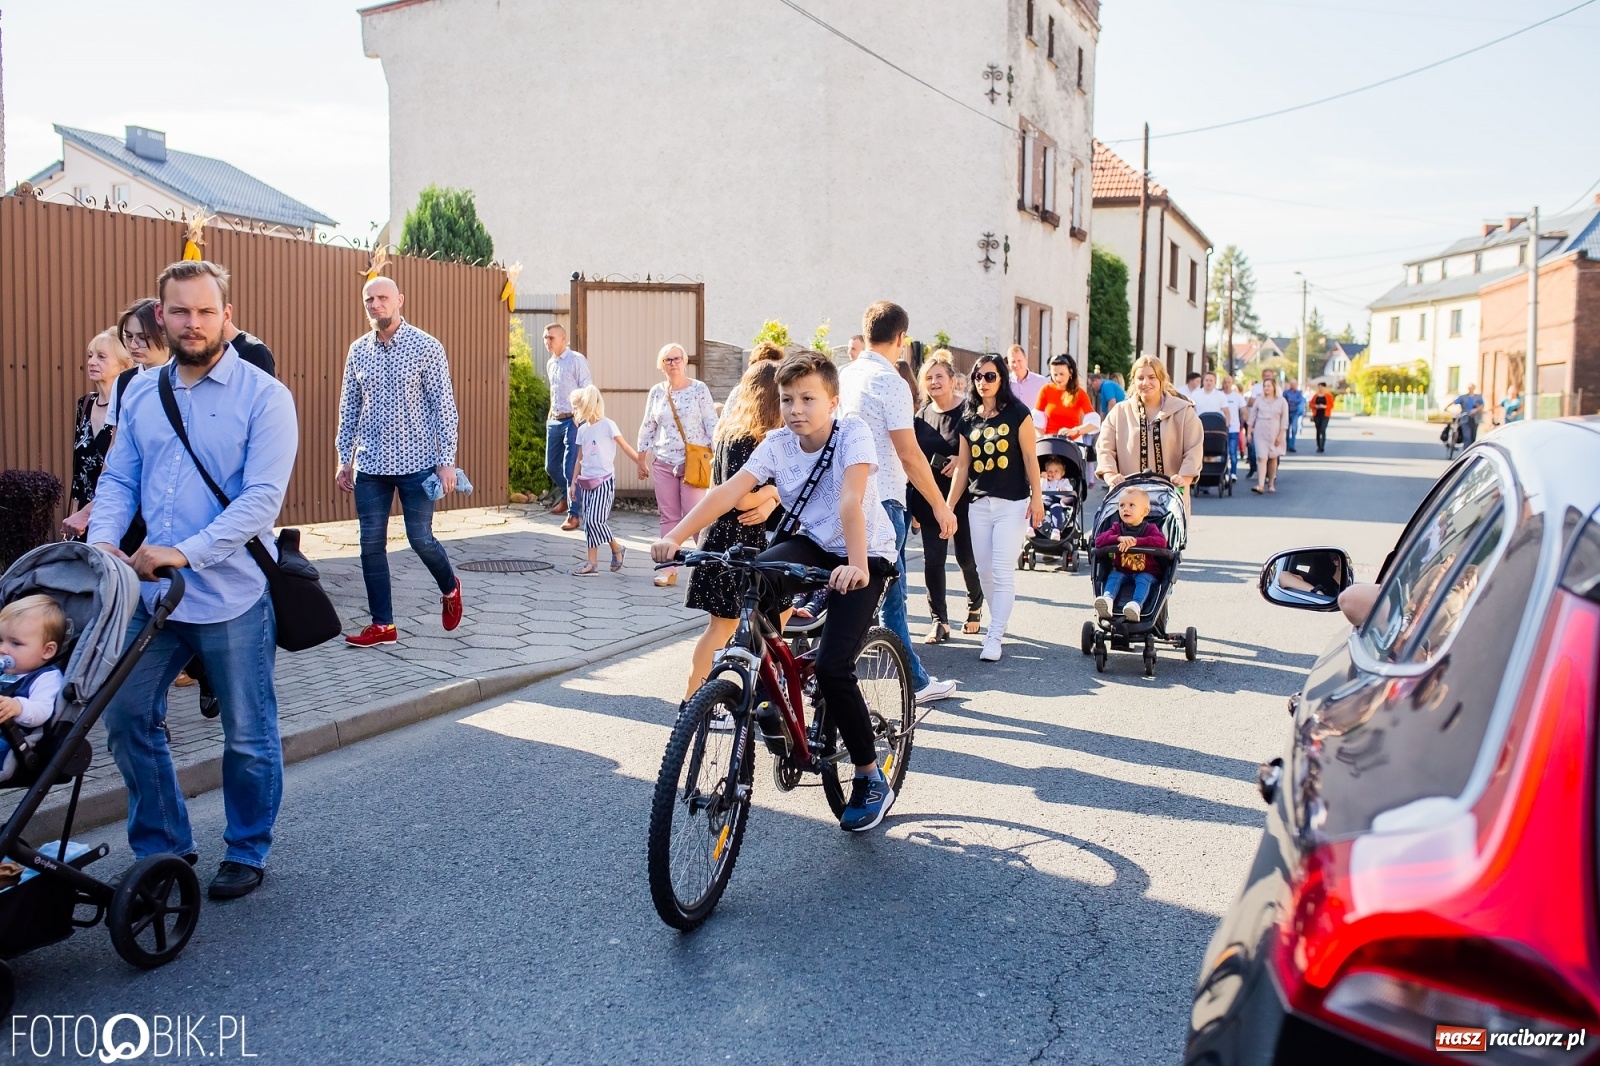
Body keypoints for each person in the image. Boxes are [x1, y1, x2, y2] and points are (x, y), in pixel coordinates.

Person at [89, 258, 298, 900]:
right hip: (150, 598)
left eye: (207, 311)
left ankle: (247, 848)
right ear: (161, 317)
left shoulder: (266, 397)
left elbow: (262, 500)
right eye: (180, 311)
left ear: (226, 316)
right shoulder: (140, 392)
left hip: (232, 594)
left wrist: (184, 551)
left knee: (248, 729)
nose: (194, 322)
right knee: (124, 715)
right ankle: (164, 851)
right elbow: (122, 477)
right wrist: (102, 538)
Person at [651, 351, 902, 832]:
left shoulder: (853, 434)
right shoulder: (778, 443)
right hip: (809, 541)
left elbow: (851, 498)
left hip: (861, 551)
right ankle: (774, 677)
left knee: (833, 666)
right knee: (752, 576)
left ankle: (870, 776)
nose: (796, 408)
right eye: (787, 399)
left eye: (808, 398)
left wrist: (853, 565)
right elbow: (726, 492)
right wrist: (676, 537)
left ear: (832, 400)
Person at [838, 302, 959, 702]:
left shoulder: (847, 374)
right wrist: (940, 505)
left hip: (849, 494)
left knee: (859, 590)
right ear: (902, 339)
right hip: (885, 498)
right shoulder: (890, 382)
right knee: (892, 595)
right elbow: (908, 453)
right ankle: (917, 683)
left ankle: (838, 672)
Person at [335, 276, 464, 648]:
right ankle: (383, 626)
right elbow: (350, 408)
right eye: (369, 299)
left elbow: (445, 408)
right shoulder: (358, 350)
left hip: (419, 462)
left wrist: (446, 461)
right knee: (370, 544)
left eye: (382, 298)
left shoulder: (427, 347)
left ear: (399, 301)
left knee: (420, 539)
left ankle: (450, 587)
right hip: (371, 465)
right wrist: (345, 458)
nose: (376, 305)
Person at [682, 361, 783, 696]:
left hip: (722, 537)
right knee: (722, 628)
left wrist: (768, 499)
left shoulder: (730, 431)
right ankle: (697, 694)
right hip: (733, 540)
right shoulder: (748, 438)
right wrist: (770, 493)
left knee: (729, 625)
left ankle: (698, 694)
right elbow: (740, 500)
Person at [944, 353, 1044, 663]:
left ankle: (994, 634)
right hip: (978, 504)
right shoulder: (969, 416)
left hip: (1012, 504)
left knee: (1002, 571)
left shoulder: (1018, 413)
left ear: (1001, 378)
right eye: (978, 377)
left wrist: (1037, 497)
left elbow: (1030, 457)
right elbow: (963, 465)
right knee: (983, 571)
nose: (983, 382)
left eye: (990, 376)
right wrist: (947, 507)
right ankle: (998, 621)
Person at [912, 352, 983, 643]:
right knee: (933, 562)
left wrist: (960, 458)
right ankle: (939, 621)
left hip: (962, 498)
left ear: (953, 380)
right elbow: (914, 459)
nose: (933, 382)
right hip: (931, 500)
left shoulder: (968, 413)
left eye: (939, 376)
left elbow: (981, 453)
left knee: (966, 559)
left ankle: (975, 603)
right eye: (928, 378)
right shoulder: (920, 417)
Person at [636, 343, 718, 588]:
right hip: (663, 461)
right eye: (668, 360)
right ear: (662, 365)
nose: (673, 363)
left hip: (693, 462)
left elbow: (712, 423)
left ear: (685, 362)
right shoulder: (657, 392)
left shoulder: (699, 389)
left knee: (695, 517)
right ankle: (668, 569)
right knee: (668, 517)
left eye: (677, 358)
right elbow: (648, 426)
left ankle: (708, 567)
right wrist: (642, 457)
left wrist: (718, 454)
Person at [1096, 355, 1204, 506]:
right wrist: (1110, 474)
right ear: (1134, 381)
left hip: (1170, 500)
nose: (1146, 383)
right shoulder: (1120, 412)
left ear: (1161, 379)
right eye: (1140, 378)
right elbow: (1105, 448)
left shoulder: (1183, 411)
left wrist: (1184, 477)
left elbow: (1194, 448)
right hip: (1128, 500)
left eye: (1152, 377)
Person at [62, 329, 135, 540]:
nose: (92, 362)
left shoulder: (131, 407)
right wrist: (74, 514)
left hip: (118, 517)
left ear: (125, 365)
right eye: (90, 355)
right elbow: (78, 473)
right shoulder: (84, 404)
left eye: (101, 357)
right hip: (83, 521)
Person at [568, 385, 642, 576]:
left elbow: (625, 447)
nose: (574, 412)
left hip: (603, 481)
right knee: (589, 523)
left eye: (576, 407)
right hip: (586, 481)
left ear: (587, 405)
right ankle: (592, 563)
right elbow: (579, 458)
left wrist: (640, 463)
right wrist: (574, 482)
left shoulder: (608, 425)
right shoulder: (583, 430)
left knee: (595, 520)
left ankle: (617, 548)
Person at [0, 595, 68, 783]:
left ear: (47, 650)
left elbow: (42, 711)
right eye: (0, 640)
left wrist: (18, 707)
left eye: (15, 643)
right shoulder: (4, 671)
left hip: (13, 743)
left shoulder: (46, 677)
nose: (3, 649)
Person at [1091, 487, 1167, 622]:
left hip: (1148, 572)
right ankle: (1107, 601)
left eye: (1131, 505)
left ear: (1145, 511)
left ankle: (1135, 605)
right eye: (1122, 505)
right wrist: (1118, 538)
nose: (1125, 509)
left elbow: (1161, 542)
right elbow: (1098, 540)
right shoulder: (1117, 528)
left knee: (1143, 579)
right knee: (1114, 576)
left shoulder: (1150, 529)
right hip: (1123, 571)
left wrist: (1137, 542)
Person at [542, 323, 592, 525]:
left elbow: (587, 390)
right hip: (554, 420)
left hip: (573, 420)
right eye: (545, 338)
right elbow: (554, 393)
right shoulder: (551, 363)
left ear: (563, 338)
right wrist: (549, 416)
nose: (547, 341)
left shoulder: (577, 360)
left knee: (569, 468)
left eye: (551, 338)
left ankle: (574, 514)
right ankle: (567, 494)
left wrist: (580, 417)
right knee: (551, 466)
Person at [1036, 354, 1095, 439]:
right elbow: (1036, 422)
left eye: (1061, 374)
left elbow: (1094, 422)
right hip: (1049, 443)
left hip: (1073, 443)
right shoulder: (1045, 390)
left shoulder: (1079, 393)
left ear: (1070, 372)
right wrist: (1044, 439)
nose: (1058, 378)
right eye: (1055, 374)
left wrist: (1076, 430)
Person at [1247, 377, 1289, 494]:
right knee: (1261, 457)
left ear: (1274, 387)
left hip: (1275, 431)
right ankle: (1260, 485)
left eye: (1269, 386)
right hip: (1261, 431)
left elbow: (1284, 420)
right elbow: (1252, 417)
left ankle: (1271, 483)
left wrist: (1280, 435)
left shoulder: (1281, 401)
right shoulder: (1259, 400)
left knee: (1273, 458)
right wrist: (1249, 432)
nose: (1266, 388)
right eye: (1265, 386)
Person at [1006, 344, 1048, 409]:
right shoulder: (1004, 383)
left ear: (1026, 359)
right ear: (1008, 363)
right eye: (1013, 361)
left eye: (1019, 360)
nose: (1016, 364)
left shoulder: (1041, 381)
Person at [1219, 376, 1247, 473]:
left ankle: (1233, 473)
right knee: (1223, 453)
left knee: (1232, 452)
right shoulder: (1219, 395)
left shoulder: (1237, 396)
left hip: (1233, 428)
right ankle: (1224, 473)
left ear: (1232, 383)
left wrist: (1249, 424)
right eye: (1225, 382)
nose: (1227, 384)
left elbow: (1244, 410)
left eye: (1229, 382)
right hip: (1220, 429)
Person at [1310, 383, 1335, 452]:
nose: (1320, 389)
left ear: (1324, 388)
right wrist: (1316, 406)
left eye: (1321, 387)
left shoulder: (1328, 396)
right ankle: (1318, 445)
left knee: (1322, 429)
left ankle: (1322, 445)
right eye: (1319, 387)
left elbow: (1331, 405)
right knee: (1318, 430)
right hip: (1317, 414)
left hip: (1325, 415)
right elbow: (1311, 404)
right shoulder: (1315, 396)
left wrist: (1325, 406)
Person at [1283, 378, 1306, 453]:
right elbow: (1283, 401)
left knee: (1294, 429)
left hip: (1295, 413)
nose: (1293, 385)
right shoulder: (1286, 393)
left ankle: (1292, 445)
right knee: (1285, 429)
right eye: (1292, 384)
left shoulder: (1298, 393)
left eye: (1294, 384)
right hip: (1286, 413)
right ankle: (1286, 445)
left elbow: (1301, 401)